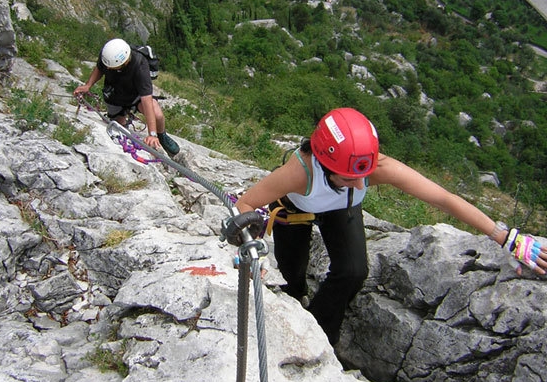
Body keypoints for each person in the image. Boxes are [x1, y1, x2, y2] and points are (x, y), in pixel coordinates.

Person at [222, 107, 547, 346]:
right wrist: (251, 245)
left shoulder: (373, 167)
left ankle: (318, 333)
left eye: (363, 174)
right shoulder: (298, 172)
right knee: (292, 278)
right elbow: (247, 203)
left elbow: (444, 198)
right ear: (324, 162)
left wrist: (507, 237)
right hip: (295, 209)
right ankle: (291, 309)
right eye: (350, 176)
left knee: (353, 271)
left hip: (341, 209)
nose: (361, 181)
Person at [74, 38, 179, 156]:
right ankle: (124, 122)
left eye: (113, 68)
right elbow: (99, 68)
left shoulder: (140, 65)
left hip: (136, 96)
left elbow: (146, 100)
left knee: (157, 115)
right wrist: (88, 85)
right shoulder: (108, 56)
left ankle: (162, 135)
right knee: (119, 127)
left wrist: (152, 134)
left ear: (125, 63)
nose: (108, 69)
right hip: (115, 96)